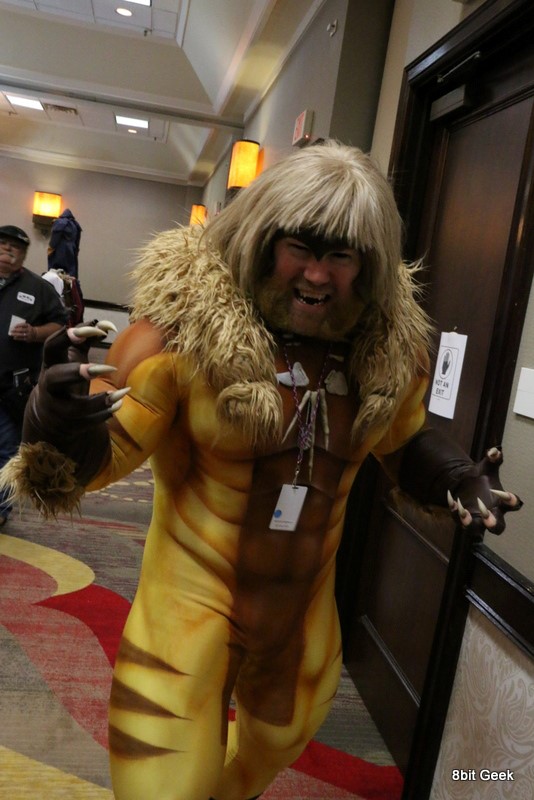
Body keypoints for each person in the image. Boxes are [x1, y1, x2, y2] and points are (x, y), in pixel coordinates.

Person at [0, 142, 522, 799]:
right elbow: (101, 461)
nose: (318, 275)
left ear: (370, 266)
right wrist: (54, 419)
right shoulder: (179, 339)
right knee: (165, 787)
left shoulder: (386, 357)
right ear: (261, 242)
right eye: (300, 248)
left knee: (265, 753)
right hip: (188, 605)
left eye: (342, 256)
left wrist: (456, 478)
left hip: (302, 619)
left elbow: (402, 441)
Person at [0, 225, 68, 526]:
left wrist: (34, 333)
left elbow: (60, 325)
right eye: (2, 244)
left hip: (11, 387)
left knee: (6, 449)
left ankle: (0, 509)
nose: (7, 250)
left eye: (14, 247)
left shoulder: (38, 289)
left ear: (24, 254)